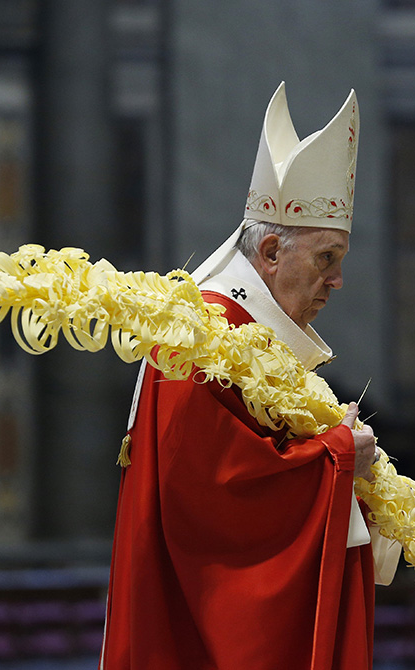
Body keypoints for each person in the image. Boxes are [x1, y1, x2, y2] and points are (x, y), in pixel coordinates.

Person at [100, 82, 399, 670]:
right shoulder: (201, 340)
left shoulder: (249, 333)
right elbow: (209, 505)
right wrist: (338, 458)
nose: (337, 282)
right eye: (326, 259)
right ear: (268, 252)